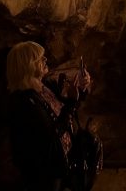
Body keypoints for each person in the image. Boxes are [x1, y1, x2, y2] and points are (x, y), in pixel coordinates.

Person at [6, 41, 92, 191]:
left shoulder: (43, 87)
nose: (45, 59)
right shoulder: (25, 102)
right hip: (45, 171)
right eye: (40, 58)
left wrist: (80, 89)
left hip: (59, 162)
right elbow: (52, 133)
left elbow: (63, 109)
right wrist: (72, 102)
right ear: (28, 65)